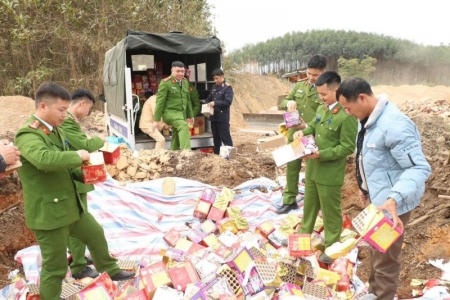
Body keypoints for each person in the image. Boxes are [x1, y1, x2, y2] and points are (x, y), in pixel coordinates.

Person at [15, 82, 134, 300]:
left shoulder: (55, 130)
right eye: (60, 110)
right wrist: (79, 156)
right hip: (50, 214)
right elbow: (45, 160)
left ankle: (111, 270)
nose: (64, 114)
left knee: (96, 234)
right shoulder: (28, 134)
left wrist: (87, 174)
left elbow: (65, 167)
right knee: (55, 268)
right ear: (43, 107)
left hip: (70, 206)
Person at [337, 77, 431, 300]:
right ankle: (373, 293)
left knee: (385, 258)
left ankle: (384, 296)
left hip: (393, 206)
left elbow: (419, 168)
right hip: (379, 201)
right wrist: (365, 187)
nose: (347, 113)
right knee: (377, 251)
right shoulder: (369, 119)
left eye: (348, 108)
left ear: (362, 98)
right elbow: (374, 159)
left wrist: (394, 198)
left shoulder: (395, 124)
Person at [293, 71, 358, 263]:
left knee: (330, 213)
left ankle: (331, 247)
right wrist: (301, 133)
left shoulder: (347, 117)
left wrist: (321, 154)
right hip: (313, 169)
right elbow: (313, 127)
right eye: (319, 94)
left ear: (336, 90)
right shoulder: (323, 109)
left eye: (323, 94)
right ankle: (302, 240)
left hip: (329, 173)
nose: (320, 97)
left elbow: (347, 147)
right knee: (309, 208)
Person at [60, 88, 105, 278]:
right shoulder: (68, 122)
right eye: (89, 109)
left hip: (73, 174)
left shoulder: (69, 121)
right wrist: (100, 140)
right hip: (74, 177)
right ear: (82, 103)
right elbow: (84, 146)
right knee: (78, 219)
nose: (88, 113)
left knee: (76, 220)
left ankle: (77, 256)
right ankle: (78, 265)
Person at [276, 54, 327, 214]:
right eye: (309, 73)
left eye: (316, 75)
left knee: (313, 171)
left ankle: (314, 203)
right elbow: (283, 102)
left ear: (323, 73)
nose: (311, 78)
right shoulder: (299, 86)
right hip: (295, 135)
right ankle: (289, 200)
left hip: (312, 137)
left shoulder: (326, 90)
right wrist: (288, 103)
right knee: (292, 168)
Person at [153, 61, 194, 150]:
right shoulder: (165, 83)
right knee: (183, 126)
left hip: (181, 114)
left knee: (176, 133)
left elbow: (188, 100)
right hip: (169, 113)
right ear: (172, 70)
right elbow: (160, 102)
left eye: (182, 71)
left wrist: (190, 115)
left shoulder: (185, 82)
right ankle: (186, 153)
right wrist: (156, 120)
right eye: (177, 71)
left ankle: (173, 153)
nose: (180, 73)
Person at [205, 68, 234, 155]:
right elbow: (209, 98)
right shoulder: (214, 87)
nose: (215, 80)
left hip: (222, 118)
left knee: (225, 138)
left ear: (222, 77)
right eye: (214, 78)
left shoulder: (227, 88)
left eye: (217, 78)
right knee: (216, 138)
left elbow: (227, 102)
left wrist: (215, 103)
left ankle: (230, 155)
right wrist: (207, 104)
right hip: (214, 117)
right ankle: (217, 155)